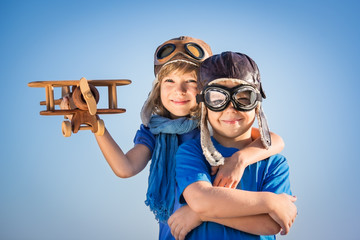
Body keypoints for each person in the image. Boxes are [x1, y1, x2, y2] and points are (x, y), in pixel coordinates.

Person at [61, 37, 286, 239]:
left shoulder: (214, 122)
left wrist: (240, 159)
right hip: (177, 229)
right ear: (157, 89)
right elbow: (125, 167)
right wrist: (97, 126)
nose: (179, 90)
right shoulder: (155, 131)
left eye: (190, 82)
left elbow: (272, 140)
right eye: (169, 81)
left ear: (206, 91)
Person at [171, 51, 297, 240]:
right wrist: (270, 201)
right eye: (217, 98)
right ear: (204, 104)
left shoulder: (274, 163)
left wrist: (200, 214)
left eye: (243, 98)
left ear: (257, 104)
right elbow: (200, 199)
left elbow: (272, 224)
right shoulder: (192, 152)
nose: (231, 108)